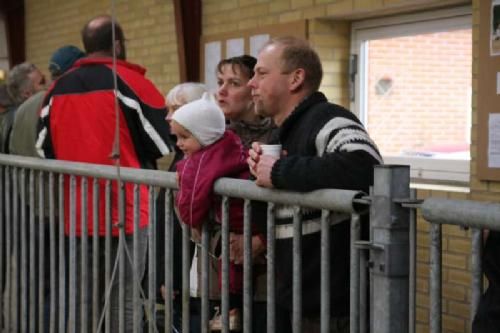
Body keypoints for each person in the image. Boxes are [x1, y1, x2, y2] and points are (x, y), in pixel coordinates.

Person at [35, 15, 174, 332]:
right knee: (124, 299)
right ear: (118, 45)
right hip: (128, 211)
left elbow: (44, 150)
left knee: (82, 299)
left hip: (78, 212)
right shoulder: (132, 82)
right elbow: (162, 143)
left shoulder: (55, 90)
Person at [247, 36, 383, 332]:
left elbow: (366, 164)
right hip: (294, 296)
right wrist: (257, 172)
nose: (251, 84)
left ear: (296, 78)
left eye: (261, 73)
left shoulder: (329, 118)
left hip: (333, 306)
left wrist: (280, 170)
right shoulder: (278, 134)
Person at [5, 45, 84, 332]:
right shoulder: (51, 103)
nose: (46, 85)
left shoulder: (19, 113)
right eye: (40, 82)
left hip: (30, 205)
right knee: (56, 280)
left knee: (33, 279)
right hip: (52, 206)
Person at [172, 92, 261, 331]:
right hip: (249, 216)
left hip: (235, 219)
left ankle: (230, 309)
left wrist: (191, 220)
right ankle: (232, 308)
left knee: (230, 261)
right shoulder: (228, 143)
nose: (179, 144)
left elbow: (192, 199)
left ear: (203, 135)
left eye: (184, 137)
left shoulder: (201, 162)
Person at [216, 54, 275, 332]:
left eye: (233, 83)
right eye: (219, 82)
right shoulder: (213, 137)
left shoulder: (277, 137)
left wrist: (262, 238)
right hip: (221, 260)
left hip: (269, 267)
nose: (221, 91)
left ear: (253, 87)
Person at [1, 62, 46, 153]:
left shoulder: (8, 119)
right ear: (27, 93)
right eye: (42, 82)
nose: (48, 83)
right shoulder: (30, 120)